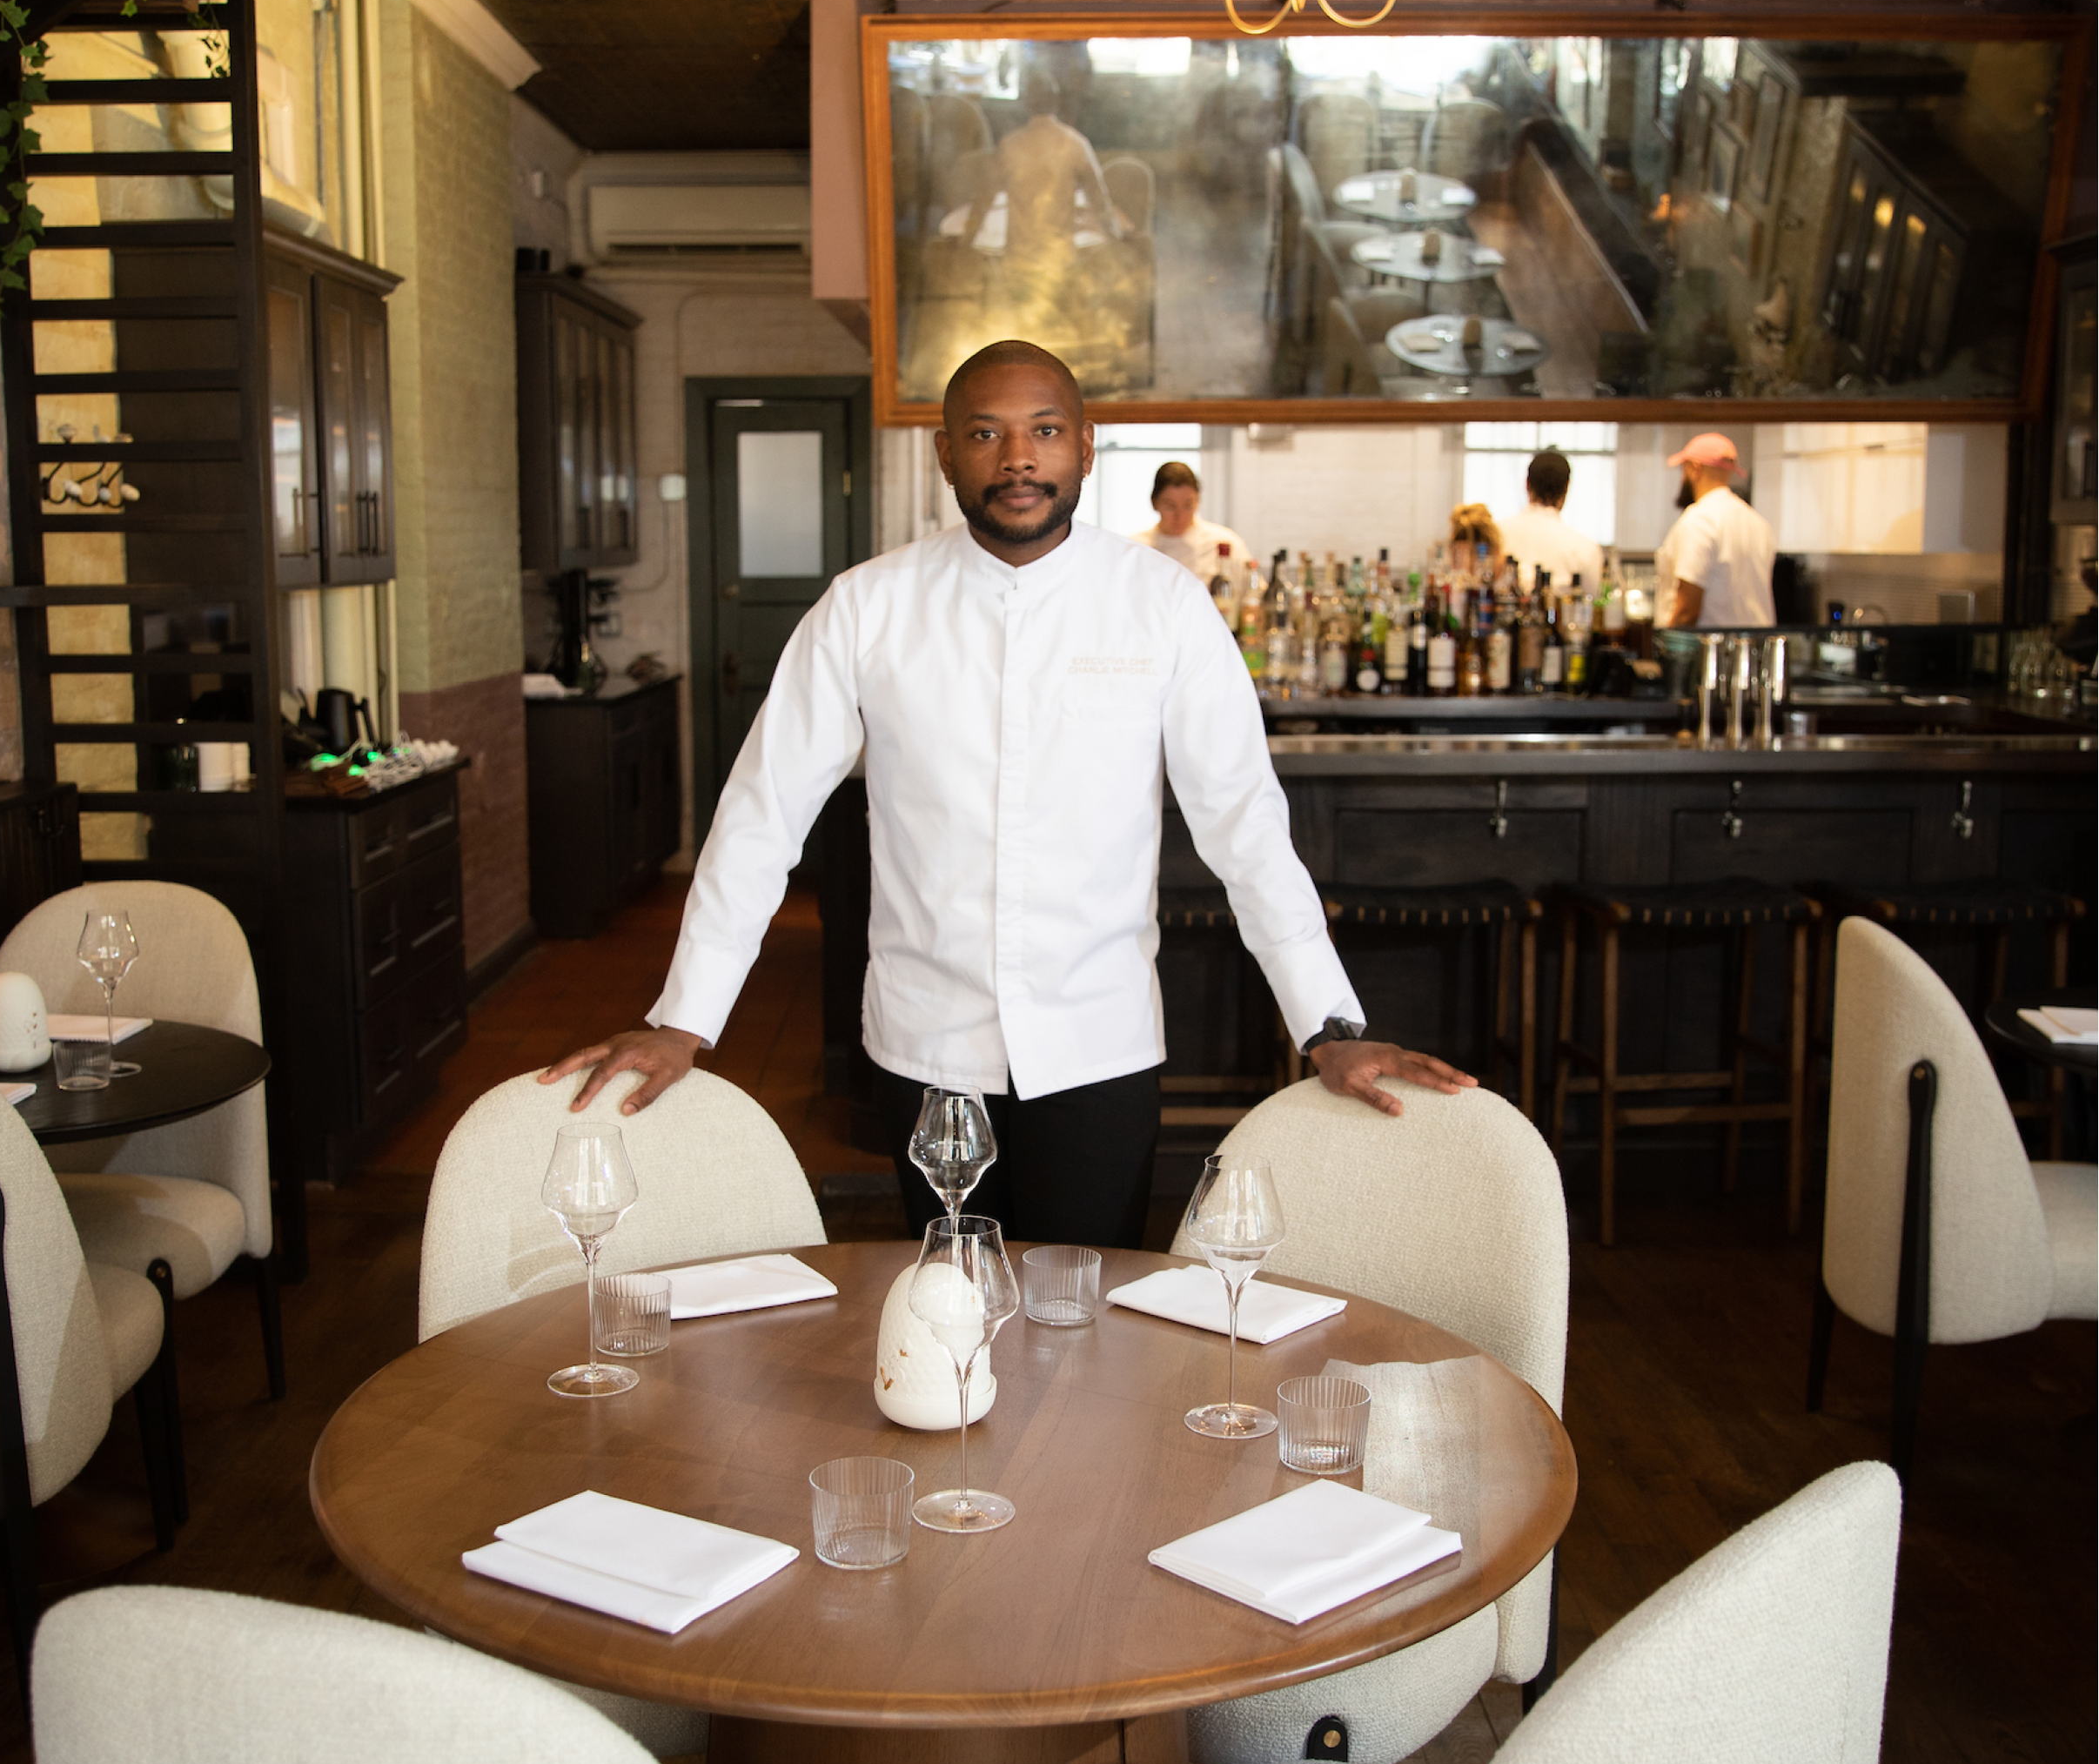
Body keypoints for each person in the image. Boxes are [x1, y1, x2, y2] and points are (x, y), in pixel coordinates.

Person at [543, 339, 1472, 1247]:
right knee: (951, 1319)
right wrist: (683, 1018)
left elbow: (1246, 828)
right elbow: (762, 813)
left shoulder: (1162, 604)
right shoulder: (867, 606)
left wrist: (1330, 1025)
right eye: (985, 434)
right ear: (945, 452)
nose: (1018, 457)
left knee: (1087, 1335)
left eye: (1045, 429)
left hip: (1099, 1042)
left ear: (1086, 445)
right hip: (926, 1049)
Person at [1654, 431, 1777, 628]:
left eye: (1683, 471)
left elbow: (1687, 612)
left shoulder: (1699, 521)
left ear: (1695, 469)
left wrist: (1668, 650)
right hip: (1756, 650)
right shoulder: (1758, 524)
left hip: (1709, 653)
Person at [1498, 447, 1605, 591]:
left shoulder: (1495, 535)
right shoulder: (1586, 549)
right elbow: (1591, 602)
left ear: (1527, 484)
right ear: (1566, 488)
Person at [1131, 461, 1248, 592]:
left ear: (1198, 501)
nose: (1179, 515)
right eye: (1170, 506)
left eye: (1188, 506)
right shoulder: (1137, 548)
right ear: (1154, 503)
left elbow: (1254, 596)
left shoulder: (1225, 543)